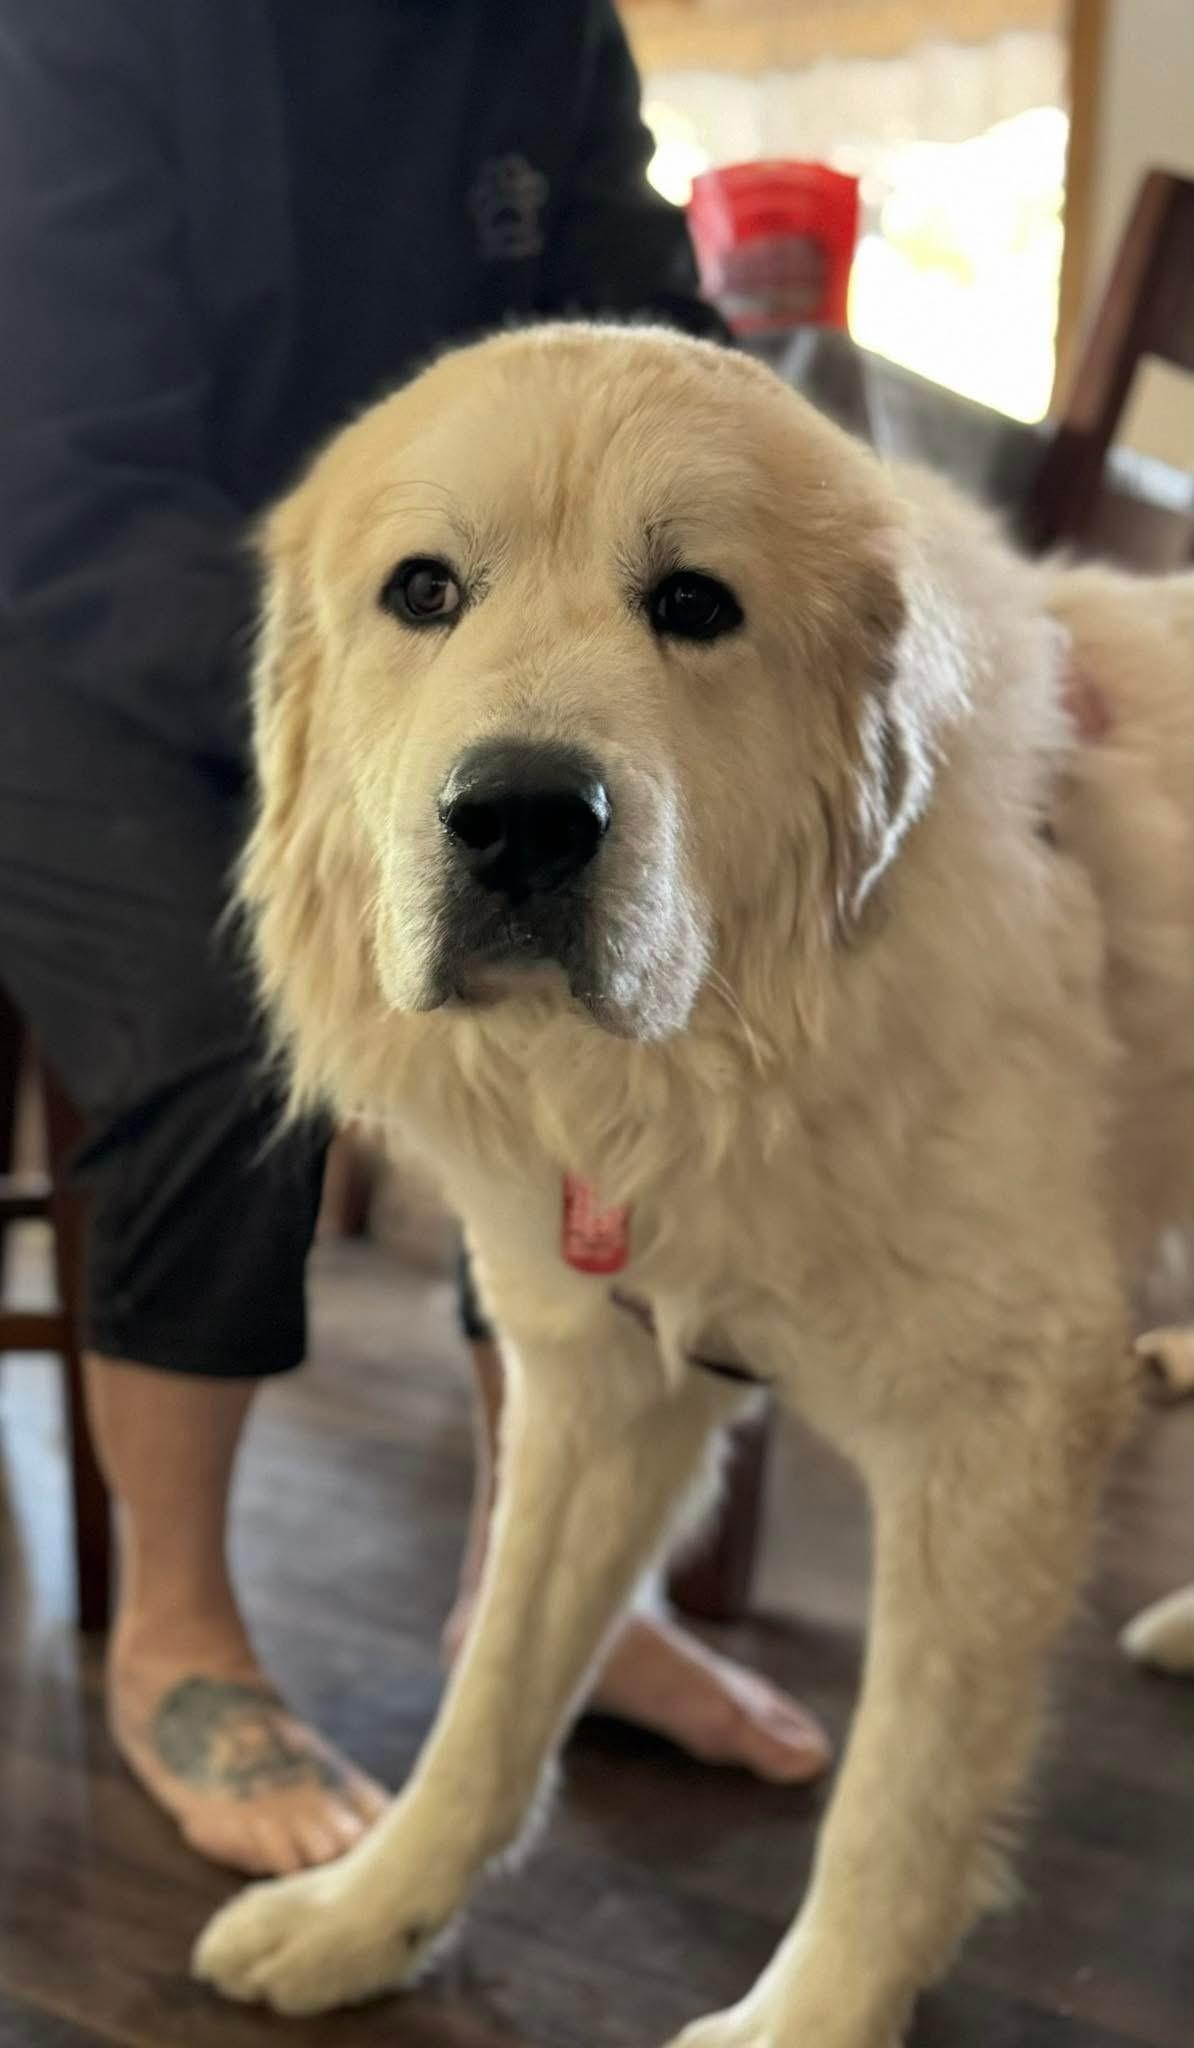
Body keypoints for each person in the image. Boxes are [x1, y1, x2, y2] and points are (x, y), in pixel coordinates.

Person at [0, 0, 830, 1879]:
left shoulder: (541, 25)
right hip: (76, 627)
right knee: (232, 1015)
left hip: (448, 635)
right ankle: (177, 1630)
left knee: (647, 952)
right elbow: (61, 483)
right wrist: (384, 725)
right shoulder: (71, 33)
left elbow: (657, 350)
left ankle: (549, 1591)